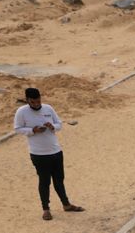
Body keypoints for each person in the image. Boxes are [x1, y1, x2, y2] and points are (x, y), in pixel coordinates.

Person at [13, 87, 84, 221]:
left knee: (59, 180)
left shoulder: (48, 108)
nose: (36, 104)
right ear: (27, 100)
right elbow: (17, 129)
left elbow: (59, 124)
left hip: (55, 151)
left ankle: (66, 204)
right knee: (44, 181)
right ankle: (46, 209)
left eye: (38, 101)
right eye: (33, 102)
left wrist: (52, 127)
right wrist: (32, 130)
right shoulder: (21, 112)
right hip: (38, 154)